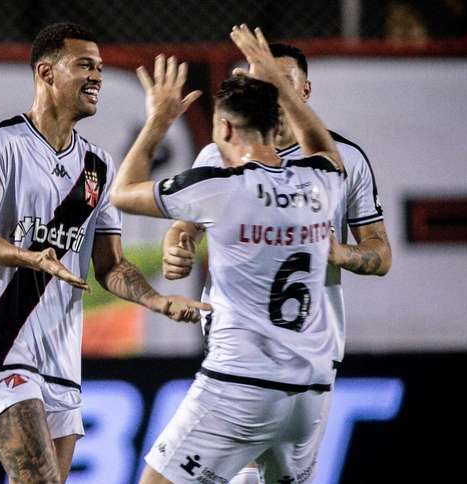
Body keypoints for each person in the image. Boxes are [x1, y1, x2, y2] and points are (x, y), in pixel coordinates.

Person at [0, 22, 208, 484]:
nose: (98, 77)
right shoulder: (2, 143)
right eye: (85, 65)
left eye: (101, 68)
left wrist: (159, 301)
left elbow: (112, 266)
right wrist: (31, 257)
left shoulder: (97, 166)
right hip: (1, 344)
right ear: (46, 73)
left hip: (61, 359)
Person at [110, 24, 347, 483]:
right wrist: (281, 87)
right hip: (309, 392)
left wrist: (159, 120)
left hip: (240, 386)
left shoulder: (222, 186)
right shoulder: (321, 181)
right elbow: (322, 148)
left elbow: (123, 192)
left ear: (222, 126)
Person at [162, 40, 392, 484]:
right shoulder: (219, 154)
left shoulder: (343, 163)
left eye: (278, 80)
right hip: (239, 348)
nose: (266, 89)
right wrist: (178, 244)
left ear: (304, 91)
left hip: (309, 352)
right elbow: (187, 225)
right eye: (257, 79)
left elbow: (380, 253)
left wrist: (341, 252)